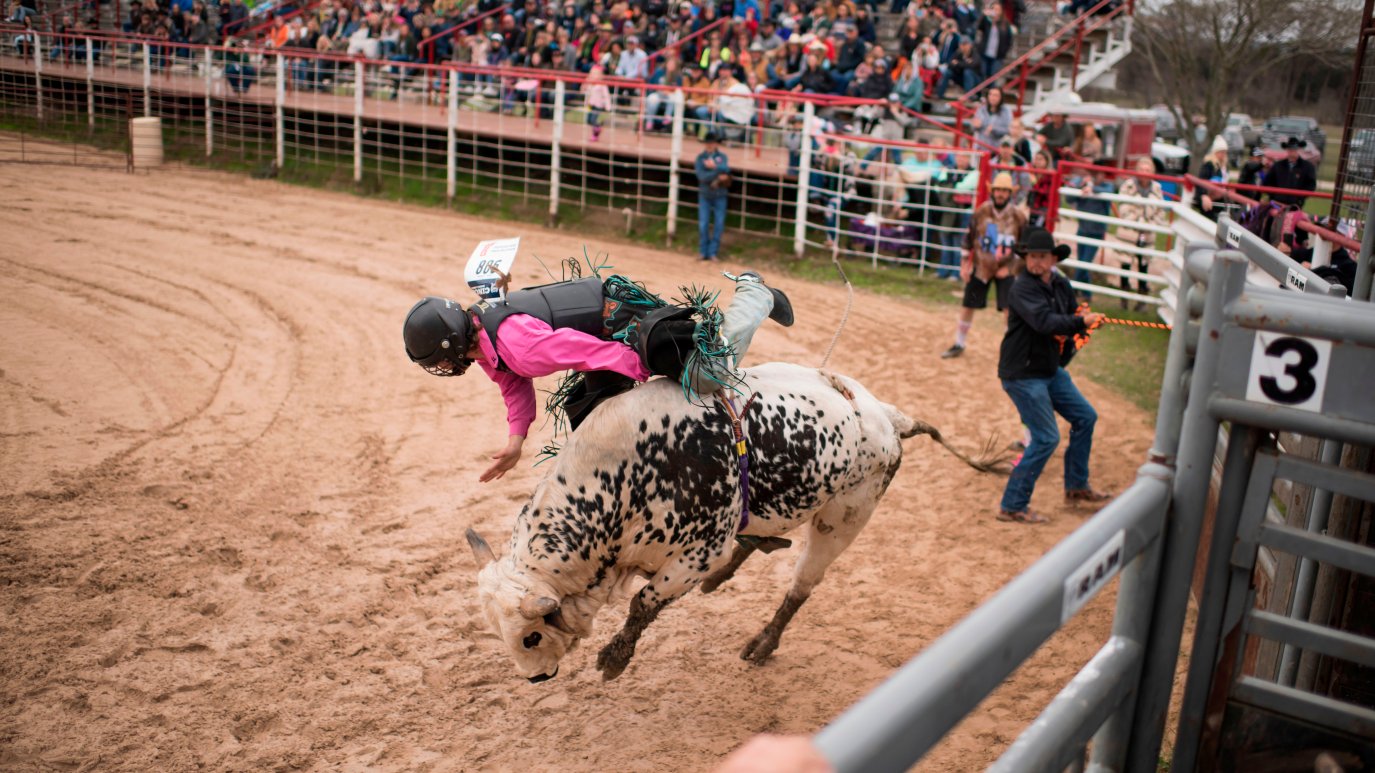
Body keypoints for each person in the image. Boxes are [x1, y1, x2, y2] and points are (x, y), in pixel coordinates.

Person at [402, 268, 795, 482]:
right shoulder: (486, 345)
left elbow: (582, 349)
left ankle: (754, 293)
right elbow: (513, 383)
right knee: (594, 423)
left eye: (435, 360)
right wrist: (516, 441)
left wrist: (642, 364)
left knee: (705, 374)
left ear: (449, 343)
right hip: (603, 331)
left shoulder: (516, 342)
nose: (439, 368)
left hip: (621, 321)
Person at [996, 228, 1110, 524]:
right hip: (1022, 374)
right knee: (1046, 438)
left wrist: (1083, 323)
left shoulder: (1061, 284)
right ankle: (1012, 505)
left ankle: (1076, 486)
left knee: (1086, 417)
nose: (1036, 262)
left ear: (1053, 258)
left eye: (1041, 257)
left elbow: (1070, 316)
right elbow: (1045, 322)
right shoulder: (1021, 288)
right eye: (1032, 257)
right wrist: (1079, 322)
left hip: (1048, 370)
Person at [941, 172, 1027, 359]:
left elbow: (1025, 247)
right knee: (967, 304)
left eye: (1005, 190)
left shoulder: (1019, 216)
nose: (1000, 194)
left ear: (1010, 193)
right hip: (981, 267)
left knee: (1009, 310)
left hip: (1007, 268)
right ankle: (959, 342)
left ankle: (1010, 352)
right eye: (998, 190)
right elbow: (969, 237)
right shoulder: (981, 211)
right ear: (992, 191)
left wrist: (1012, 268)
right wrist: (965, 264)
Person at [1113, 156, 1167, 309]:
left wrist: (1150, 224)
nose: (1145, 172)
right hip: (1129, 231)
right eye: (1142, 169)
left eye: (1148, 169)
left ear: (1153, 171)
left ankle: (1142, 299)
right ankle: (1124, 298)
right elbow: (1123, 208)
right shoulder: (1128, 186)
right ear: (1137, 171)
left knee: (1144, 265)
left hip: (1147, 233)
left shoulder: (1157, 188)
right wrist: (1139, 222)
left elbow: (1160, 211)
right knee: (1125, 264)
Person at [1065, 161, 1116, 300]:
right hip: (1083, 229)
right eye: (1095, 173)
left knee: (1084, 262)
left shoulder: (1107, 186)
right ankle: (1087, 294)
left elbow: (1110, 191)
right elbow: (1068, 197)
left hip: (1097, 232)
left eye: (1100, 174)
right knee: (1082, 261)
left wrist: (1092, 188)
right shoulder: (1082, 183)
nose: (1097, 176)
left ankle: (1071, 289)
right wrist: (1081, 186)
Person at [696, 129, 732, 261]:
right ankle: (705, 251)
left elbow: (726, 170)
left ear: (716, 144)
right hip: (707, 194)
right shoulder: (701, 158)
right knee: (703, 224)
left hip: (718, 194)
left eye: (712, 143)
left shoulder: (720, 157)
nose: (710, 145)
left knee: (718, 224)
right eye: (708, 143)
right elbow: (702, 176)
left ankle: (711, 252)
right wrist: (717, 171)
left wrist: (713, 167)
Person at [1266, 136, 1317, 208]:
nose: (1292, 151)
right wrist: (1274, 196)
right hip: (1276, 204)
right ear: (1287, 149)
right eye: (1290, 149)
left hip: (1295, 205)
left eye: (1294, 149)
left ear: (1299, 149)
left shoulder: (1308, 167)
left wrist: (1299, 198)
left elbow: (1311, 186)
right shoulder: (1277, 166)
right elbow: (1267, 182)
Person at [1195, 135, 1231, 221]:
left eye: (1224, 152)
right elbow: (1202, 180)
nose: (1223, 154)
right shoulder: (1209, 164)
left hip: (1219, 201)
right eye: (1221, 152)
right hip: (1210, 200)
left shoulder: (1224, 167)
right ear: (1215, 152)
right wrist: (1203, 195)